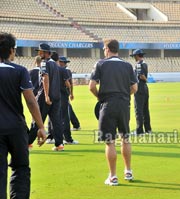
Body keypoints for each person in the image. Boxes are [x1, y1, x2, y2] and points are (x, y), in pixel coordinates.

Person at [0, 32, 47, 199]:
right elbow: (31, 101)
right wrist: (41, 127)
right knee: (21, 168)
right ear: (12, 50)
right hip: (16, 128)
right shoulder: (19, 71)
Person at [89, 39, 137, 186]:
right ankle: (128, 171)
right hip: (123, 104)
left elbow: (91, 86)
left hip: (107, 104)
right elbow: (134, 88)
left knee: (110, 141)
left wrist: (100, 97)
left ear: (108, 49)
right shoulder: (128, 65)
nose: (104, 51)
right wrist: (123, 96)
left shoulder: (101, 64)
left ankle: (113, 176)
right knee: (125, 137)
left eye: (104, 48)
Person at [28, 43, 64, 151]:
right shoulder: (54, 64)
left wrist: (46, 95)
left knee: (37, 119)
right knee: (56, 121)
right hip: (56, 96)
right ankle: (59, 144)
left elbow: (45, 78)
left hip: (45, 96)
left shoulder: (44, 63)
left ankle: (28, 143)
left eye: (40, 51)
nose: (39, 53)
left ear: (46, 53)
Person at [130, 49, 152, 135]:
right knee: (145, 109)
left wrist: (145, 80)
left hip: (139, 88)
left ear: (137, 55)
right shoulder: (145, 63)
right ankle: (148, 129)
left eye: (134, 56)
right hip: (145, 88)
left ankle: (139, 130)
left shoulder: (139, 65)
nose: (134, 58)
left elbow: (141, 76)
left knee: (138, 109)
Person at [58, 56, 79, 144]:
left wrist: (71, 93)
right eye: (64, 62)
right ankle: (67, 137)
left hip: (57, 95)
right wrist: (70, 92)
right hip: (63, 95)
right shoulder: (65, 71)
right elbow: (69, 84)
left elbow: (70, 83)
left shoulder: (57, 70)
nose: (65, 64)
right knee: (65, 116)